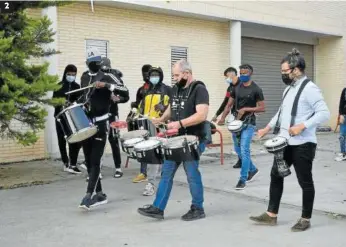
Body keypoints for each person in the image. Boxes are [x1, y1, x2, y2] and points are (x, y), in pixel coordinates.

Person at [250, 48, 330, 232]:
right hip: (285, 142)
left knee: (305, 181)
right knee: (275, 175)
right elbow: (281, 112)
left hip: (303, 144)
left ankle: (305, 218)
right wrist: (267, 128)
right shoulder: (288, 89)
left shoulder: (310, 88)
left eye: (285, 72)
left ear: (296, 69)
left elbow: (324, 112)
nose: (283, 75)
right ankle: (271, 215)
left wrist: (303, 125)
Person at [138, 59, 209, 221]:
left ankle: (198, 208)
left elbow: (202, 115)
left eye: (177, 75)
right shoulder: (176, 89)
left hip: (193, 139)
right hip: (176, 139)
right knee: (166, 173)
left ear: (187, 73)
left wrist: (179, 123)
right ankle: (158, 208)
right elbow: (173, 107)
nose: (175, 78)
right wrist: (161, 119)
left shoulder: (199, 89)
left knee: (191, 174)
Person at [78, 48, 129, 210]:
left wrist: (107, 86)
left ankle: (88, 196)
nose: (92, 65)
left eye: (95, 63)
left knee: (95, 159)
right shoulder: (85, 76)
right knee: (89, 159)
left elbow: (125, 92)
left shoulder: (107, 75)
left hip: (101, 123)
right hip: (86, 123)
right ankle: (99, 194)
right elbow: (84, 95)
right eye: (90, 62)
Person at [218, 64, 265, 190]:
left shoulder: (256, 89)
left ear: (251, 73)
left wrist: (246, 109)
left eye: (245, 73)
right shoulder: (236, 88)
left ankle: (242, 178)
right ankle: (253, 169)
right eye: (241, 73)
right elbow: (228, 105)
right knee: (238, 149)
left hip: (249, 123)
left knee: (244, 150)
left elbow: (262, 107)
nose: (242, 75)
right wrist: (222, 117)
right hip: (236, 123)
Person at [136, 66, 172, 196]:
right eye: (152, 75)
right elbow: (141, 108)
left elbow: (173, 107)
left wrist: (164, 108)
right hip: (147, 126)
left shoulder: (167, 89)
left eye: (156, 75)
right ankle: (151, 183)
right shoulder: (147, 91)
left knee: (160, 155)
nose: (154, 77)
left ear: (161, 76)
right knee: (153, 156)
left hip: (161, 126)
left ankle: (157, 182)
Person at [100, 57, 129, 177]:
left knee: (114, 140)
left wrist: (118, 99)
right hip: (100, 115)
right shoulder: (96, 78)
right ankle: (97, 169)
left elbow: (125, 96)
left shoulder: (114, 78)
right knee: (99, 142)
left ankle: (118, 168)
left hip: (112, 114)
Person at [53, 64, 83, 174]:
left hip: (72, 117)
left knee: (74, 140)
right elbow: (54, 101)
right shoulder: (59, 86)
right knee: (61, 140)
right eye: (69, 74)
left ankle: (73, 164)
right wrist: (62, 102)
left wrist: (72, 103)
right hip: (60, 117)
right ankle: (65, 163)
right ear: (65, 74)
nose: (71, 76)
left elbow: (79, 101)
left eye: (73, 74)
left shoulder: (77, 86)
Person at [211, 67, 242, 168]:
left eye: (226, 76)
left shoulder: (243, 85)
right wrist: (217, 114)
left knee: (241, 139)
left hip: (244, 115)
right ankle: (241, 158)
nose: (226, 79)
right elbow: (226, 102)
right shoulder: (230, 88)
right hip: (234, 115)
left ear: (231, 74)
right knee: (236, 138)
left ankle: (244, 160)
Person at [131, 64, 153, 183]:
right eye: (143, 73)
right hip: (143, 121)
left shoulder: (160, 88)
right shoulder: (141, 90)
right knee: (143, 146)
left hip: (156, 121)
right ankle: (143, 172)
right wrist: (134, 106)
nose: (145, 75)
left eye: (147, 73)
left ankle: (161, 172)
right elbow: (138, 106)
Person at [335, 88, 346, 161]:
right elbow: (341, 103)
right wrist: (341, 114)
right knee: (342, 136)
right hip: (344, 116)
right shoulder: (345, 90)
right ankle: (343, 153)